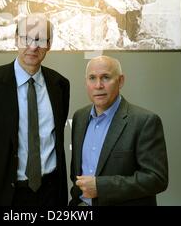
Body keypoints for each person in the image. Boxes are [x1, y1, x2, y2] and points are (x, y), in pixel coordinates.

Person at [0, 13, 70, 206]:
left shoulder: (60, 85)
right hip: (4, 194)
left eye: (40, 39)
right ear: (16, 39)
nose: (33, 46)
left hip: (50, 193)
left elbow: (57, 138)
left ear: (49, 44)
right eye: (26, 38)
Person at [69, 55, 168, 206]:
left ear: (120, 81)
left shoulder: (144, 121)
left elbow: (156, 178)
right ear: (86, 82)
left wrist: (101, 187)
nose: (98, 85)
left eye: (106, 77)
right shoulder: (79, 118)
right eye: (92, 78)